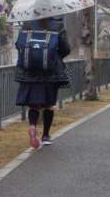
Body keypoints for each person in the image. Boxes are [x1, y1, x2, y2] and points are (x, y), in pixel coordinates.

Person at [15, 17, 70, 148]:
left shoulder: (27, 24)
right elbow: (66, 49)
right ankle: (45, 135)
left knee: (33, 106)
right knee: (48, 105)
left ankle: (32, 126)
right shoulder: (58, 26)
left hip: (29, 73)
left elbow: (18, 45)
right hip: (50, 74)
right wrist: (54, 56)